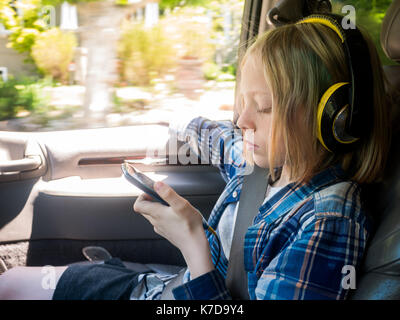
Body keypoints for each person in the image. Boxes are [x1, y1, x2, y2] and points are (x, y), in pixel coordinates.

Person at [0, 15, 391, 300]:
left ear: (334, 118)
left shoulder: (327, 222)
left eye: (265, 107)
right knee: (12, 283)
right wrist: (180, 119)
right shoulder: (263, 166)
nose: (243, 119)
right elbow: (216, 136)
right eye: (243, 103)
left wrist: (193, 245)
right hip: (167, 287)